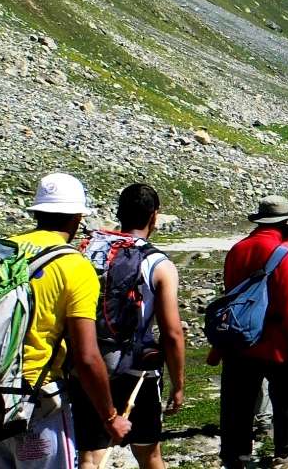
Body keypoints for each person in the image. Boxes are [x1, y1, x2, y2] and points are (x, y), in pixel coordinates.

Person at [0, 173, 132, 468]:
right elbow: (86, 357)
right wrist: (110, 417)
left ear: (37, 213)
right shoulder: (74, 266)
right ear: (77, 218)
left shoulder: (1, 251)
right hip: (37, 401)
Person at [73, 184, 186, 469]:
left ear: (120, 213)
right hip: (138, 372)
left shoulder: (88, 253)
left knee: (90, 455)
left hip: (88, 366)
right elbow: (172, 333)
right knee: (149, 454)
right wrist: (178, 384)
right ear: (154, 216)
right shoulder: (158, 264)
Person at [212, 196, 288, 469]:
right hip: (277, 344)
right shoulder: (284, 256)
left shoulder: (236, 250)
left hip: (240, 340)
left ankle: (237, 457)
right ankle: (282, 455)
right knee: (287, 400)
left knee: (239, 404)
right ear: (285, 223)